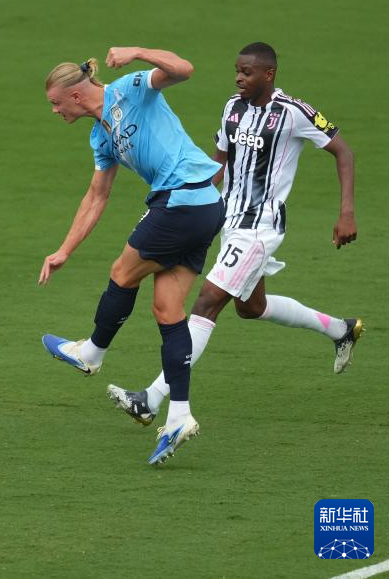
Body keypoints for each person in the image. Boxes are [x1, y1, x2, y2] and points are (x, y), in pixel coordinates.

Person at [108, 42, 362, 426]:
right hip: (228, 220)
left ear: (269, 74)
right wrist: (190, 198)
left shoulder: (293, 112)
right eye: (237, 71)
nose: (239, 78)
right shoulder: (233, 107)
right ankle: (341, 330)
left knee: (207, 301)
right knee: (250, 307)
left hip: (260, 230)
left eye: (247, 72)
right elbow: (219, 162)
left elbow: (343, 151)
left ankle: (152, 398)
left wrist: (346, 213)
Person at [38, 48, 225, 465]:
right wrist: (64, 250)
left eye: (54, 103)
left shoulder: (131, 89)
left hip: (183, 200)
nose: (54, 111)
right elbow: (97, 195)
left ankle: (92, 353)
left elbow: (185, 68)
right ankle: (179, 415)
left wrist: (138, 53)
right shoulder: (100, 135)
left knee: (123, 272)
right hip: (203, 207)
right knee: (167, 310)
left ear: (74, 94)